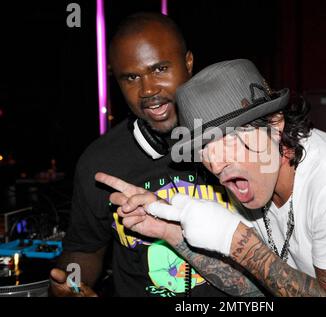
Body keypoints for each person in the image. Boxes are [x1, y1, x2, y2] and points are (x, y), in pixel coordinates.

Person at [97, 59, 326, 296]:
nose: (216, 162)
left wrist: (238, 244)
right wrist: (171, 232)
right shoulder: (250, 178)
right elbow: (258, 286)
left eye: (228, 138)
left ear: (275, 126)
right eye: (204, 147)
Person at [49, 13, 260, 297]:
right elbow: (84, 248)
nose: (148, 90)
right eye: (132, 77)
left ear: (188, 63)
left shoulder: (239, 139)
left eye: (160, 69)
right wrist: (71, 283)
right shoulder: (99, 162)